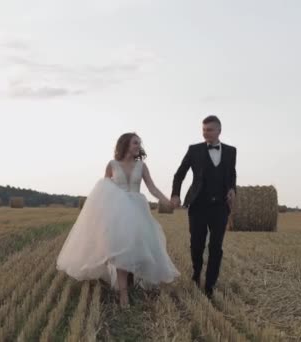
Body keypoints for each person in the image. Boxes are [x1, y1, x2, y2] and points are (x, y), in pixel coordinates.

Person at [56, 133, 180, 308]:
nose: (138, 145)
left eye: (139, 143)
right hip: (118, 213)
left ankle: (132, 281)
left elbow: (152, 188)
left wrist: (167, 202)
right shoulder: (112, 165)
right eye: (135, 142)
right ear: (126, 144)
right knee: (122, 252)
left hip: (138, 210)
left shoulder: (142, 166)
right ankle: (123, 294)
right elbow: (104, 190)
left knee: (139, 248)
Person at [171, 115, 237, 299]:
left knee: (216, 246)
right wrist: (175, 194)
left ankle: (210, 284)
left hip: (220, 207)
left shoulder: (231, 151)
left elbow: (232, 174)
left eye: (209, 130)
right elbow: (179, 174)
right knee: (197, 245)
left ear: (219, 131)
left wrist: (232, 189)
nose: (205, 133)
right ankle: (196, 273)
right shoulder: (194, 150)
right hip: (198, 204)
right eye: (203, 129)